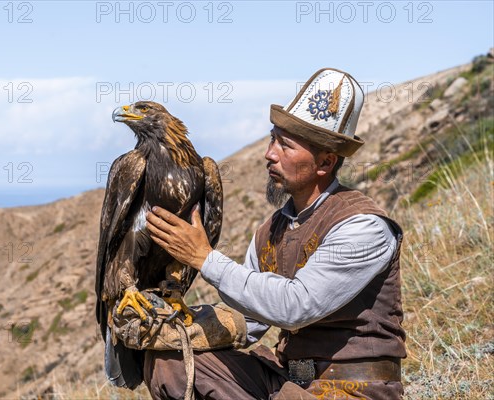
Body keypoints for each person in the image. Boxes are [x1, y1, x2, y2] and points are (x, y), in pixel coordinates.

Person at [145, 68, 406, 400]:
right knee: (172, 363)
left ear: (325, 162)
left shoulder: (363, 227)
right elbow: (251, 319)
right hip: (289, 382)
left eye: (285, 145)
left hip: (356, 392)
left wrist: (205, 259)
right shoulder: (269, 232)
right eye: (272, 139)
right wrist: (177, 324)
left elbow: (295, 306)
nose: (270, 153)